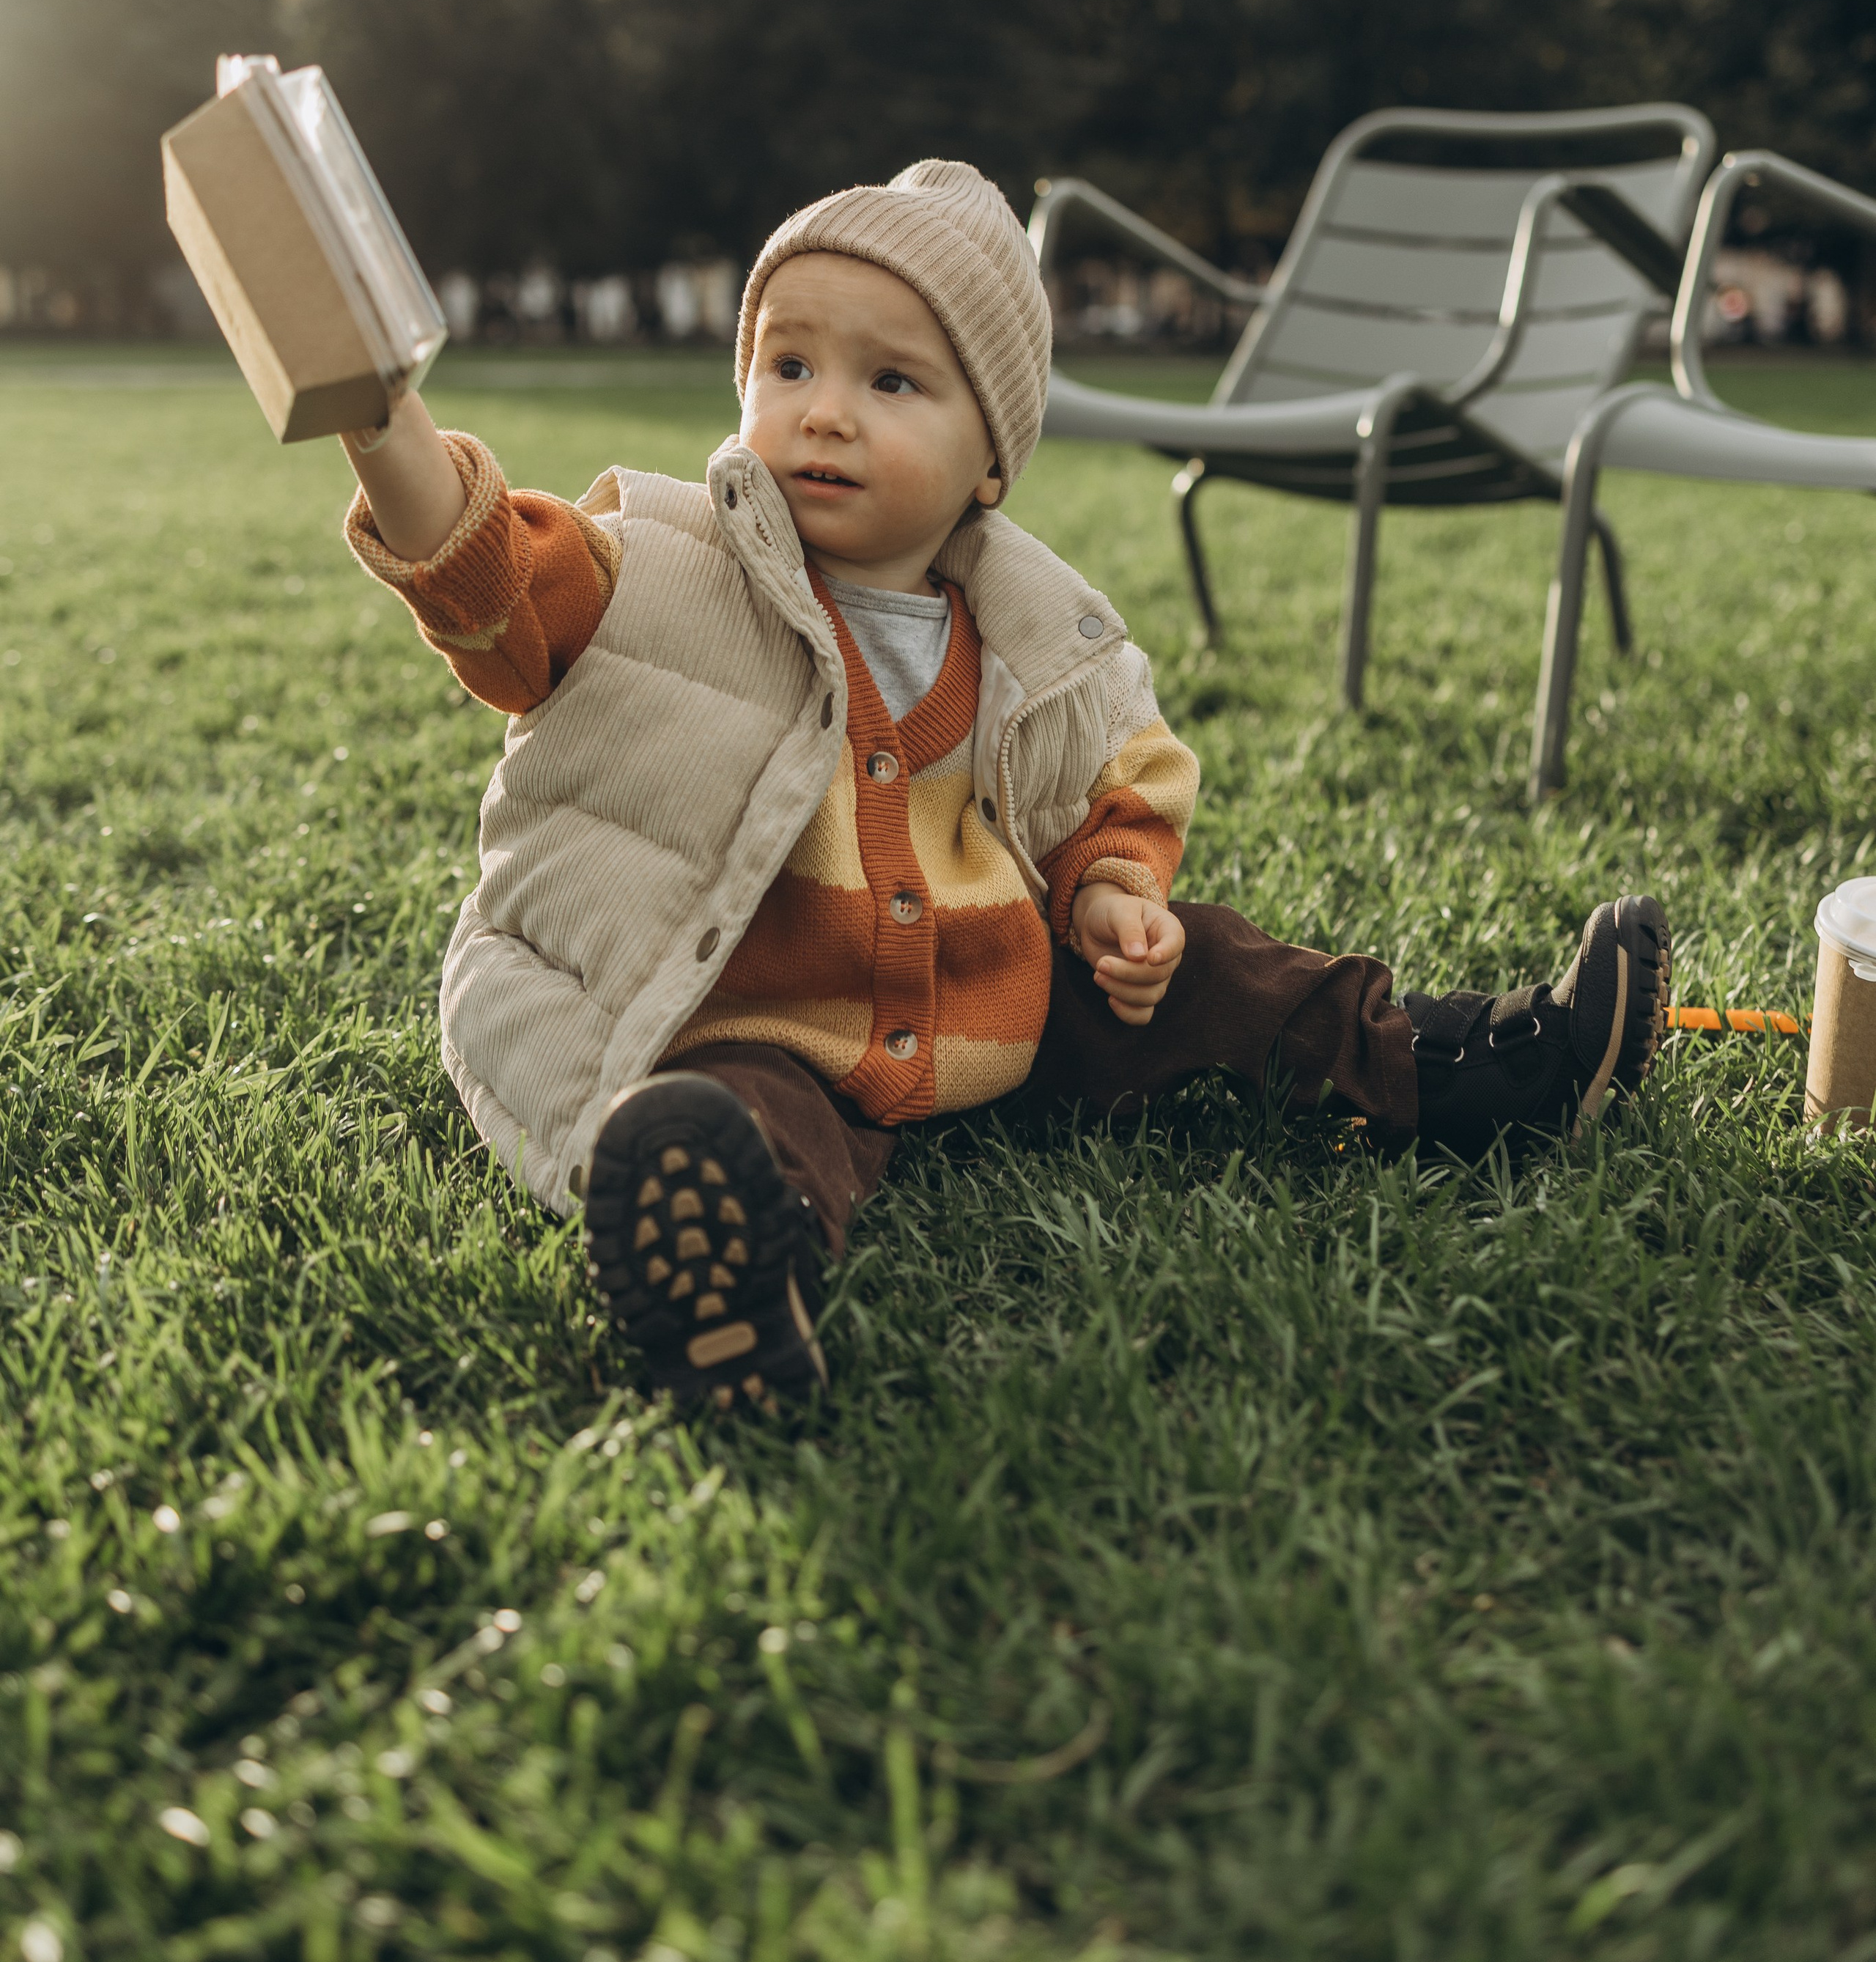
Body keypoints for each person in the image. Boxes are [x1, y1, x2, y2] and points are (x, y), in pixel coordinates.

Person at [341, 161, 1671, 1409]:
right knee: (749, 1126)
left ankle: (1493, 1068)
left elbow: (1120, 783)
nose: (823, 408)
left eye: (893, 382)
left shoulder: (1034, 635)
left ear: (991, 459)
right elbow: (485, 578)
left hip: (989, 1011)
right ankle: (732, 1282)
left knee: (1219, 970)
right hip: (759, 1021)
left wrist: (1113, 891)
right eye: (787, 362)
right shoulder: (650, 562)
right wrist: (379, 419)